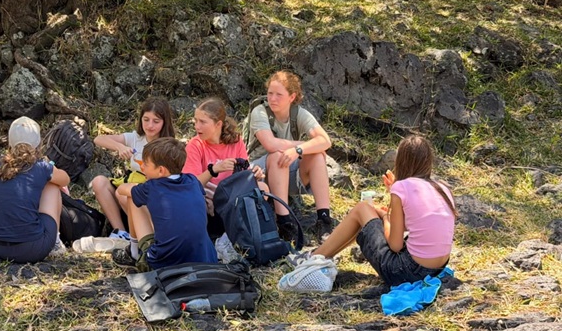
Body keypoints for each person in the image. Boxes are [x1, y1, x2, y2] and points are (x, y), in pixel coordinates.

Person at [282, 135, 456, 289]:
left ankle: (312, 258)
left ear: (401, 160)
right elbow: (418, 222)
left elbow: (395, 245)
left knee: (362, 209)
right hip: (436, 270)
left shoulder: (402, 187)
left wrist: (386, 216)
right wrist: (392, 198)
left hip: (406, 272)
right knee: (367, 214)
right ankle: (319, 257)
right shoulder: (442, 188)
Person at [247, 71, 333, 240]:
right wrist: (303, 146)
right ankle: (284, 222)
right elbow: (270, 144)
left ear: (292, 97)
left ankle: (324, 220)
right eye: (270, 93)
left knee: (317, 156)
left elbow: (325, 140)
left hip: (285, 174)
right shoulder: (260, 112)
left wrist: (299, 151)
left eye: (279, 95)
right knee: (277, 155)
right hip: (258, 174)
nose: (272, 99)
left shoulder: (298, 113)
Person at [111, 137, 217, 271]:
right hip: (205, 259)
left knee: (132, 197)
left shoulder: (151, 188)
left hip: (165, 264)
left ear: (161, 170)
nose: (141, 167)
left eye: (145, 164)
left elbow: (121, 189)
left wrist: (138, 186)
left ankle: (134, 252)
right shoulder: (192, 181)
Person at [0, 116, 70, 263]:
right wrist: (51, 168)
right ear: (38, 143)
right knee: (52, 185)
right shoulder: (41, 167)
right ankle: (55, 242)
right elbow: (65, 179)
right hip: (30, 250)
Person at [90, 97, 175, 240]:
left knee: (125, 193)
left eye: (156, 121)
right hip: (130, 183)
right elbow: (98, 139)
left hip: (152, 191)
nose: (150, 125)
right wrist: (120, 147)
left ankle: (144, 234)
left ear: (164, 122)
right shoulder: (135, 138)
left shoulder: (169, 145)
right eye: (146, 119)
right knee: (99, 182)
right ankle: (121, 233)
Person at [183, 97, 265, 241]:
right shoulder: (195, 145)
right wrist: (213, 170)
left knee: (263, 187)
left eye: (202, 122)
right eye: (195, 121)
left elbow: (244, 173)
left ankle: (256, 234)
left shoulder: (236, 140)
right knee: (194, 198)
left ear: (218, 124)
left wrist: (254, 173)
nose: (197, 127)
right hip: (209, 204)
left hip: (232, 198)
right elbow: (190, 185)